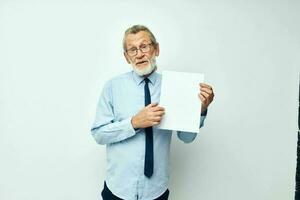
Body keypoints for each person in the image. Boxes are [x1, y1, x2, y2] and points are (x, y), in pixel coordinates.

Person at [91, 25, 214, 200]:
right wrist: (134, 123)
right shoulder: (112, 87)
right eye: (132, 50)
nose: (139, 54)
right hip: (118, 189)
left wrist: (200, 110)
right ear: (127, 57)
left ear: (156, 49)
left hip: (156, 191)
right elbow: (98, 134)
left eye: (144, 46)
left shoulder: (175, 87)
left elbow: (186, 138)